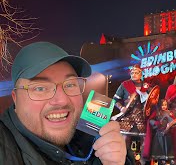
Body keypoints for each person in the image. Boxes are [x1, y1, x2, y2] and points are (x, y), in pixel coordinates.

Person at [0, 42, 129, 164]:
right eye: (40, 88)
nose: (62, 100)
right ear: (15, 98)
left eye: (70, 84)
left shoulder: (93, 140)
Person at [112, 64, 151, 164]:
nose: (134, 74)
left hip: (142, 116)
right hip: (127, 115)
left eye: (136, 72)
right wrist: (121, 107)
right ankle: (124, 160)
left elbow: (153, 100)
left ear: (141, 74)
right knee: (125, 138)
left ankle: (143, 161)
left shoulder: (146, 86)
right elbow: (115, 100)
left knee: (145, 139)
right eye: (132, 72)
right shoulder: (125, 84)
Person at [146, 99, 176, 164]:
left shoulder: (169, 112)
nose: (164, 106)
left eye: (165, 105)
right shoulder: (156, 112)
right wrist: (155, 123)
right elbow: (150, 120)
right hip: (159, 134)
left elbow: (173, 121)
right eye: (162, 105)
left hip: (168, 134)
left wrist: (170, 125)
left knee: (168, 150)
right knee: (159, 152)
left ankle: (167, 160)